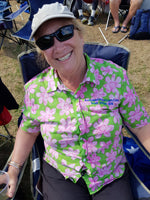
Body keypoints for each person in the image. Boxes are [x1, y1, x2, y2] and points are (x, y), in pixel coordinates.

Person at [5, 2, 150, 200]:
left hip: (110, 174)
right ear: (42, 52)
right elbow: (28, 130)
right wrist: (13, 168)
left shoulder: (114, 77)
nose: (58, 46)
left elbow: (142, 127)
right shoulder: (36, 90)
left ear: (80, 34)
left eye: (64, 32)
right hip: (62, 174)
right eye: (45, 42)